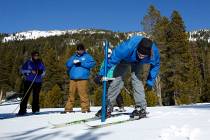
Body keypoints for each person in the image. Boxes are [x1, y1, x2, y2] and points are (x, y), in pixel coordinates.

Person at [96, 36, 160, 119]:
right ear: (137, 48)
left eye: (143, 55)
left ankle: (140, 108)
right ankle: (107, 106)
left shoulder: (154, 53)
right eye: (139, 54)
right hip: (125, 59)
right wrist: (101, 74)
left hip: (138, 63)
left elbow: (156, 65)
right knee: (117, 79)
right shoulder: (126, 48)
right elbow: (111, 60)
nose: (141, 56)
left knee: (137, 80)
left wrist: (150, 82)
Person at [65, 43, 96, 113]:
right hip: (73, 78)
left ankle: (85, 108)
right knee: (71, 93)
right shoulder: (73, 57)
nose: (80, 51)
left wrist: (81, 63)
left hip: (82, 78)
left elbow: (92, 63)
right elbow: (67, 64)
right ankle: (68, 108)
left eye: (81, 50)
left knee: (83, 93)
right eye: (79, 50)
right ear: (77, 50)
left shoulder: (87, 56)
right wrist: (72, 62)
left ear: (84, 50)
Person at [94, 48, 125, 117]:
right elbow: (102, 68)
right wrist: (100, 76)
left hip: (114, 78)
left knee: (115, 93)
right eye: (106, 54)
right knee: (107, 93)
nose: (108, 55)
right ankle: (106, 107)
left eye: (109, 53)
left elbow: (117, 68)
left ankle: (120, 105)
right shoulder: (104, 61)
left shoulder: (115, 59)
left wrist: (117, 76)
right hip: (107, 78)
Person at [18, 51, 46, 116]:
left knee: (36, 96)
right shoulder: (28, 62)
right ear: (32, 56)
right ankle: (22, 110)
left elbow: (44, 72)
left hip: (37, 82)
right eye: (35, 55)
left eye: (37, 55)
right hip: (29, 81)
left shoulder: (40, 63)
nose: (36, 56)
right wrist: (30, 71)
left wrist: (40, 72)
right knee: (26, 95)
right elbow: (22, 70)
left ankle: (35, 110)